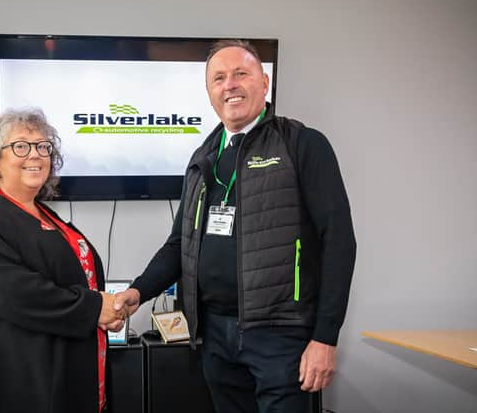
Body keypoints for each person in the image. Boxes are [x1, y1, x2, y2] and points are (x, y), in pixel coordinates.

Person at [113, 40, 356, 412]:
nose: (230, 85)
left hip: (282, 335)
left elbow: (338, 242)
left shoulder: (302, 144)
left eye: (241, 73)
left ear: (264, 82)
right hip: (214, 335)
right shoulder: (202, 158)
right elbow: (180, 245)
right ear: (209, 93)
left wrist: (325, 337)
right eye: (219, 78)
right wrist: (138, 292)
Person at [0, 108, 126, 413]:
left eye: (43, 146)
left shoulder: (44, 214)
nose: (36, 155)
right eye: (21, 146)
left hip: (56, 375)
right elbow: (16, 294)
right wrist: (93, 309)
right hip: (10, 384)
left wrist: (105, 311)